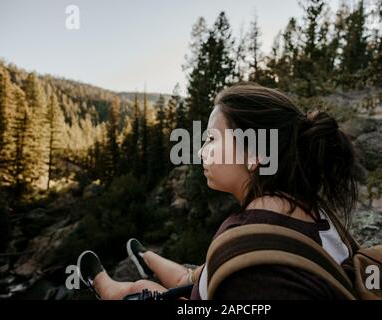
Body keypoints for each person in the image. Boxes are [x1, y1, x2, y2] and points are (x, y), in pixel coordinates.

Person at [77, 83, 360, 300]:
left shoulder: (245, 236)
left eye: (212, 139)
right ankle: (148, 259)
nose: (201, 151)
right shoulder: (319, 214)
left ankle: (108, 288)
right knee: (192, 275)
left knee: (143, 288)